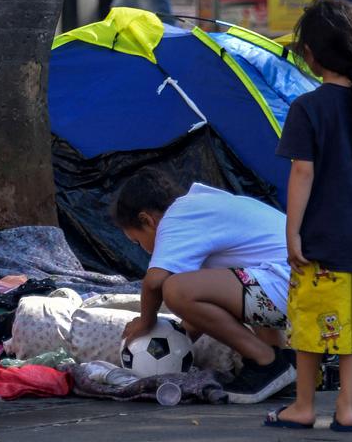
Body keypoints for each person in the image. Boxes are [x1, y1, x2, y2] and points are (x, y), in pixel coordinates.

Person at [266, 0, 352, 432]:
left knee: (313, 326)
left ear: (309, 55)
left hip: (323, 241)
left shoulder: (307, 108)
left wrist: (293, 234)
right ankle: (347, 408)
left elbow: (302, 173)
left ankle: (304, 406)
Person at [114, 170, 296, 405]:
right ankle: (280, 363)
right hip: (304, 287)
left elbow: (154, 283)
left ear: (147, 220)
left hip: (288, 283)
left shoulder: (176, 218)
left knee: (175, 289)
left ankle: (266, 361)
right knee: (211, 285)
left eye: (138, 241)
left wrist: (145, 321)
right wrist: (176, 338)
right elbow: (208, 310)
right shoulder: (202, 209)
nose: (145, 250)